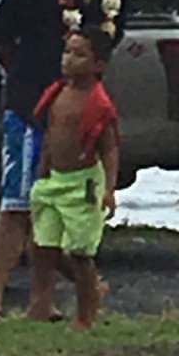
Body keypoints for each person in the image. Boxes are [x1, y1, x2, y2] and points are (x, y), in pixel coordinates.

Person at [0, 0, 130, 321]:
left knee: (68, 212)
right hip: (31, 106)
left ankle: (56, 300)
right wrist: (27, 76)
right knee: (19, 202)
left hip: (84, 113)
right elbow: (1, 32)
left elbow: (110, 40)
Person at [26, 27, 120, 331]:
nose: (69, 60)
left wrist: (109, 189)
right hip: (54, 180)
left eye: (80, 55)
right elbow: (51, 136)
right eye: (67, 52)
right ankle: (42, 304)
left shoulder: (99, 104)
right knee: (42, 244)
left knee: (80, 252)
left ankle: (85, 315)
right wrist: (44, 168)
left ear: (98, 65)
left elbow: (109, 150)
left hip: (83, 183)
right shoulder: (58, 93)